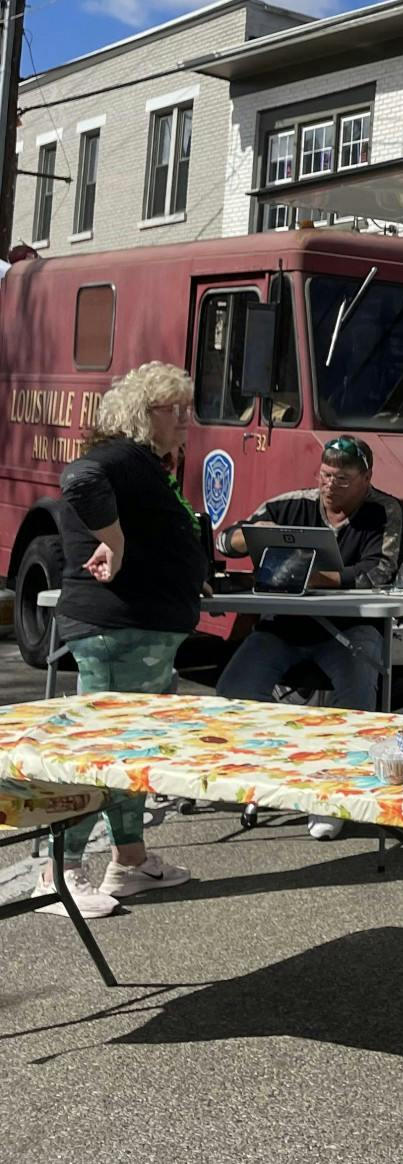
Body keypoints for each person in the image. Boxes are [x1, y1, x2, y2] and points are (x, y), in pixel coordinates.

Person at [39, 362, 208, 917]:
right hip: (118, 630)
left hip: (141, 631)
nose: (185, 420)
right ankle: (58, 872)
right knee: (101, 751)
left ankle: (130, 860)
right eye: (173, 409)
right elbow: (79, 480)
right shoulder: (122, 457)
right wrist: (113, 541)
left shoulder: (143, 465)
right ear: (143, 413)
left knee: (134, 751)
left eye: (186, 408)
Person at [215, 435, 403, 840]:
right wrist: (249, 534)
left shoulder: (385, 511)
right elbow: (223, 541)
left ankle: (333, 795)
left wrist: (317, 577)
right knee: (234, 690)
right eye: (325, 475)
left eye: (343, 479)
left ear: (367, 479)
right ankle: (280, 769)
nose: (330, 485)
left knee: (357, 702)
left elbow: (380, 572)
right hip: (284, 626)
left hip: (350, 629)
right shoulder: (290, 505)